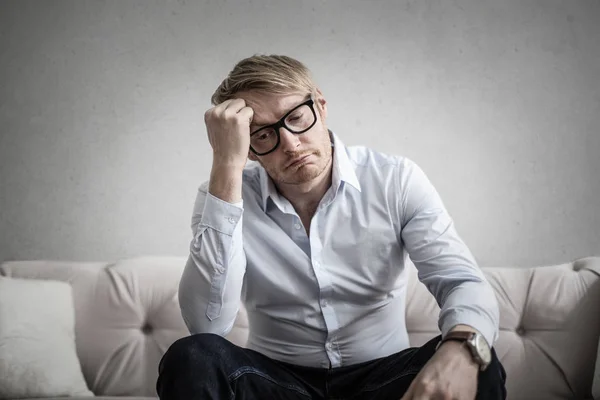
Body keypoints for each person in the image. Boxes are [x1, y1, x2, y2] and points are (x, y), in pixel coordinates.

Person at [156, 54, 507, 400]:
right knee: (192, 357)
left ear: (320, 107)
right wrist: (225, 166)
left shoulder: (394, 180)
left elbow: (460, 280)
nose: (291, 144)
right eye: (263, 135)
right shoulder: (224, 194)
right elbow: (207, 326)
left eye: (296, 117)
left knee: (477, 359)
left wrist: (462, 347)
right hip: (278, 383)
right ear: (247, 147)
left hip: (385, 379)